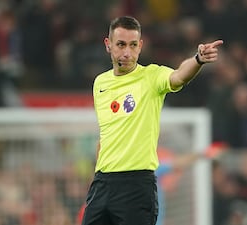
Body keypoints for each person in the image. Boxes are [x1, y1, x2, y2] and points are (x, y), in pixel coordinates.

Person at [81, 15, 223, 225]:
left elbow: (178, 76)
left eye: (132, 45)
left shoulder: (152, 77)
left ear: (140, 46)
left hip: (136, 185)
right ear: (108, 45)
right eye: (120, 44)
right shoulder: (100, 83)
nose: (127, 52)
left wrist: (197, 59)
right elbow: (108, 132)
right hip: (102, 183)